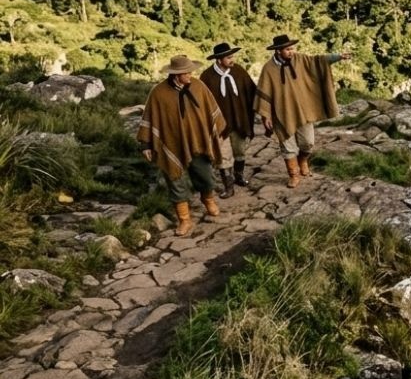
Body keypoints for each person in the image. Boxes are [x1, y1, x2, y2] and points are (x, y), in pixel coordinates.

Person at [137, 54, 225, 236]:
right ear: (176, 74)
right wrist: (146, 144)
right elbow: (149, 118)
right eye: (187, 73)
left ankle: (208, 200)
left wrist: (218, 132)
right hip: (171, 143)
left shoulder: (199, 86)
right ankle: (184, 219)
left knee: (206, 175)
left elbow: (211, 109)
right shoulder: (158, 93)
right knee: (175, 181)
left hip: (198, 141)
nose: (191, 75)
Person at [254, 34, 351, 188]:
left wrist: (337, 57)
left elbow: (318, 61)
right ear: (278, 51)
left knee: (308, 143)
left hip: (302, 111)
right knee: (288, 147)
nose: (291, 51)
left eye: (292, 48)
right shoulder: (268, 69)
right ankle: (293, 175)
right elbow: (264, 92)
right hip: (281, 114)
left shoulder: (300, 60)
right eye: (288, 49)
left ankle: (303, 161)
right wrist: (265, 115)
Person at [199, 42, 256, 198]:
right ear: (219, 60)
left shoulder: (238, 71)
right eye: (229, 57)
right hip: (219, 125)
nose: (232, 60)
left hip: (240, 121)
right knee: (223, 156)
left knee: (240, 151)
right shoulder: (207, 77)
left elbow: (252, 91)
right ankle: (228, 187)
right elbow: (201, 102)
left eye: (232, 56)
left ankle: (239, 176)